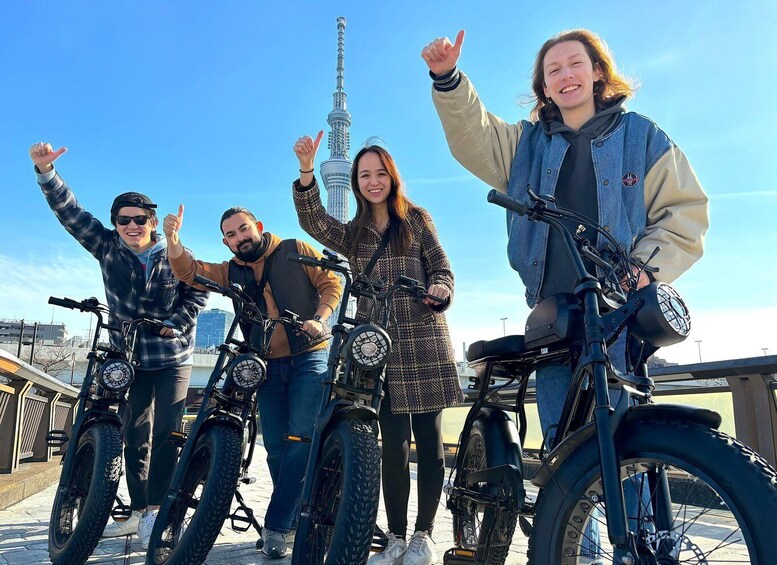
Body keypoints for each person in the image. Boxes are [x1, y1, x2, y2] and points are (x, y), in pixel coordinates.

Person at [422, 29, 709, 560]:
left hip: (620, 316)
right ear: (544, 87)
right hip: (555, 317)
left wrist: (644, 270)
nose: (565, 76)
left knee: (627, 442)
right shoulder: (527, 144)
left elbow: (684, 214)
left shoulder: (643, 137)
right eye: (552, 70)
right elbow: (474, 136)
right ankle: (582, 553)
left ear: (598, 71)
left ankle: (642, 550)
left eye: (574, 64)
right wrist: (448, 78)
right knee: (565, 450)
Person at [292, 133, 464, 565]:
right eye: (365, 174)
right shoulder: (355, 233)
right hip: (378, 346)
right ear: (355, 181)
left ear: (393, 177)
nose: (373, 181)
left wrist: (440, 287)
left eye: (380, 173)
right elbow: (315, 223)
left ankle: (424, 533)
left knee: (428, 440)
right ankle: (396, 535)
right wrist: (308, 171)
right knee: (390, 444)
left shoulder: (417, 219)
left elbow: (441, 266)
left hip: (423, 337)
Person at [29, 142, 208, 550]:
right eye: (123, 219)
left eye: (140, 219)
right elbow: (71, 214)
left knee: (167, 431)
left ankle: (158, 508)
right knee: (134, 432)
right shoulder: (107, 246)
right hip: (127, 356)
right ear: (115, 223)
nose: (132, 226)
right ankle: (141, 508)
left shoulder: (175, 254)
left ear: (151, 221)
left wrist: (173, 324)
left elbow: (198, 296)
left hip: (172, 356)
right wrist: (46, 172)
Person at [163, 203, 342, 558]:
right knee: (276, 446)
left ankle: (277, 525)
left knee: (302, 439)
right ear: (226, 242)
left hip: (310, 354)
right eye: (231, 235)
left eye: (243, 229)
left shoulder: (295, 248)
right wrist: (173, 239)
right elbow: (190, 272)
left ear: (257, 225)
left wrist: (321, 320)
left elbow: (330, 283)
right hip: (266, 365)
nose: (239, 238)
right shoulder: (232, 271)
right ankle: (293, 520)